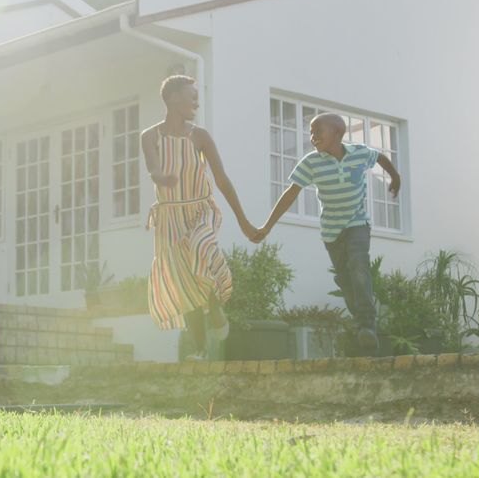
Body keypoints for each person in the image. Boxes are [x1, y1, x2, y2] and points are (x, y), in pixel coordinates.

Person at [251, 112, 401, 354]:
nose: (312, 137)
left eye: (317, 132)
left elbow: (380, 157)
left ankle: (366, 326)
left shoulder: (359, 153)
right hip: (332, 231)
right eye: (310, 132)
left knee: (359, 267)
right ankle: (362, 323)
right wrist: (267, 226)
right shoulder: (312, 162)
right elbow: (291, 193)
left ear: (337, 134)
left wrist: (395, 177)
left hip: (357, 223)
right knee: (345, 279)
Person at [143, 75, 259, 361]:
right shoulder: (150, 137)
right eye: (191, 95)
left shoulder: (201, 137)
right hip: (169, 216)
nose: (196, 101)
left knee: (201, 246)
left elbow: (221, 179)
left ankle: (214, 299)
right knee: (184, 284)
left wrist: (243, 221)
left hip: (199, 210)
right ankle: (199, 349)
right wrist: (162, 177)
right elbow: (154, 170)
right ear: (172, 99)